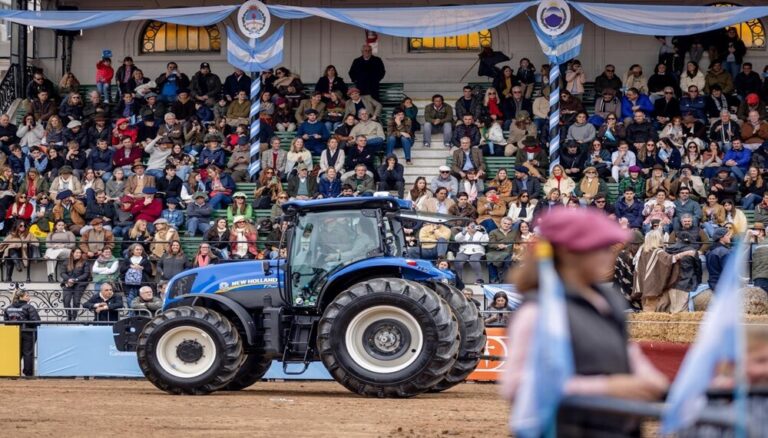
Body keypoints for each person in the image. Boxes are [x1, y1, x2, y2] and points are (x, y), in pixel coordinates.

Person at [503, 209, 669, 435]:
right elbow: (518, 385)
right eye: (598, 248)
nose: (608, 255)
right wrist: (607, 388)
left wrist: (657, 385)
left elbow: (628, 355)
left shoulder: (608, 302)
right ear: (567, 253)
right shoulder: (538, 311)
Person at [3, 288, 40, 376]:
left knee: (15, 353)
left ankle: (12, 372)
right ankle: (28, 374)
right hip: (28, 333)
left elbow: (6, 321)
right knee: (28, 353)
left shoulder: (8, 308)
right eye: (27, 295)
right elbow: (36, 321)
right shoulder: (29, 307)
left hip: (13, 333)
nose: (29, 297)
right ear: (21, 297)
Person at [60, 248, 90, 320]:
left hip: (80, 283)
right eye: (77, 253)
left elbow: (86, 274)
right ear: (72, 253)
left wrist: (75, 280)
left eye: (80, 253)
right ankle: (69, 316)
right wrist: (68, 279)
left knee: (76, 301)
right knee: (66, 300)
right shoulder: (66, 262)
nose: (78, 254)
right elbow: (62, 273)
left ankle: (74, 317)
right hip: (68, 283)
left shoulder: (85, 262)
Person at [487, 217, 515, 283]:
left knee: (508, 260)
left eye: (509, 224)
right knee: (489, 258)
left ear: (511, 225)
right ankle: (494, 279)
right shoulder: (493, 232)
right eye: (505, 223)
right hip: (496, 252)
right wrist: (498, 245)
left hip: (510, 252)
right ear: (501, 223)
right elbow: (490, 244)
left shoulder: (514, 232)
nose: (506, 225)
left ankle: (504, 280)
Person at [706, 227, 732, 291]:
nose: (730, 237)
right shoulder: (724, 251)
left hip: (713, 283)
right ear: (721, 237)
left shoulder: (709, 250)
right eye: (727, 235)